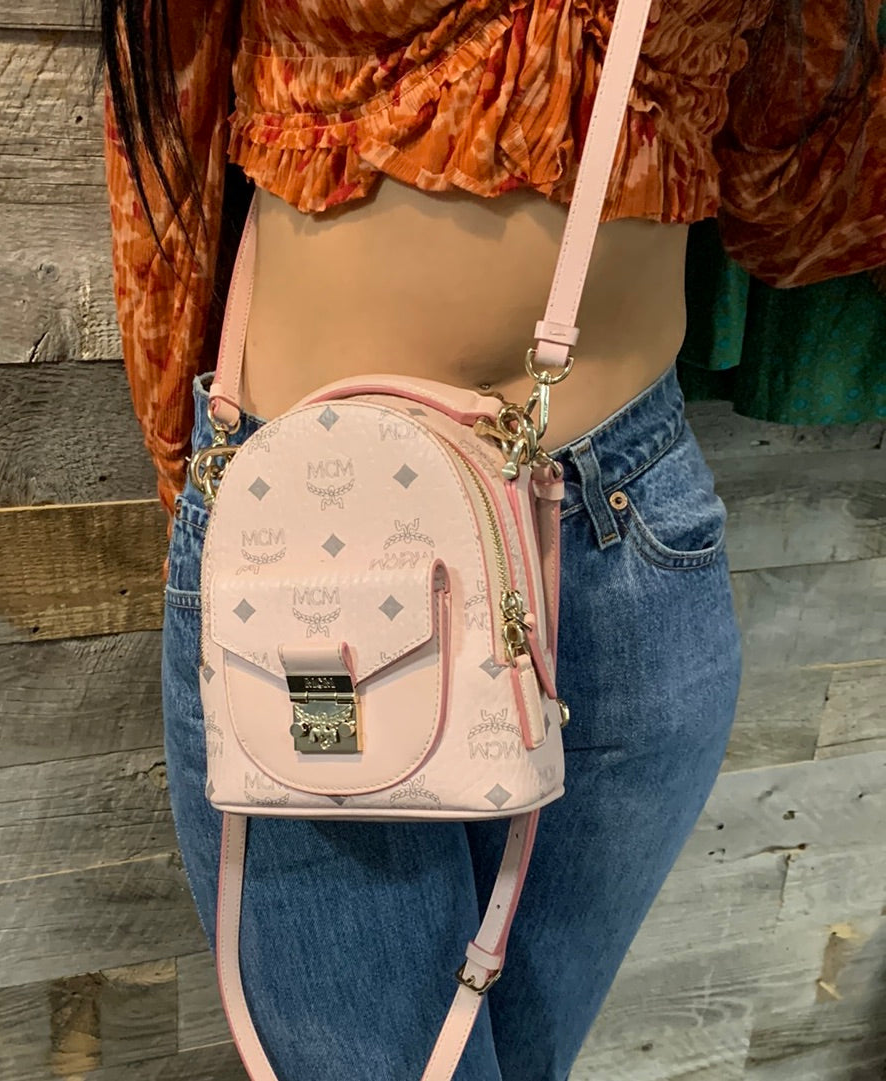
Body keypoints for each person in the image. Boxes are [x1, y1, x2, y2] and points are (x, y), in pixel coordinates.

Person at [98, 2, 885, 1077]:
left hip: (626, 533)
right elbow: (166, 148)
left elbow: (788, 178)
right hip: (323, 561)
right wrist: (211, 514)